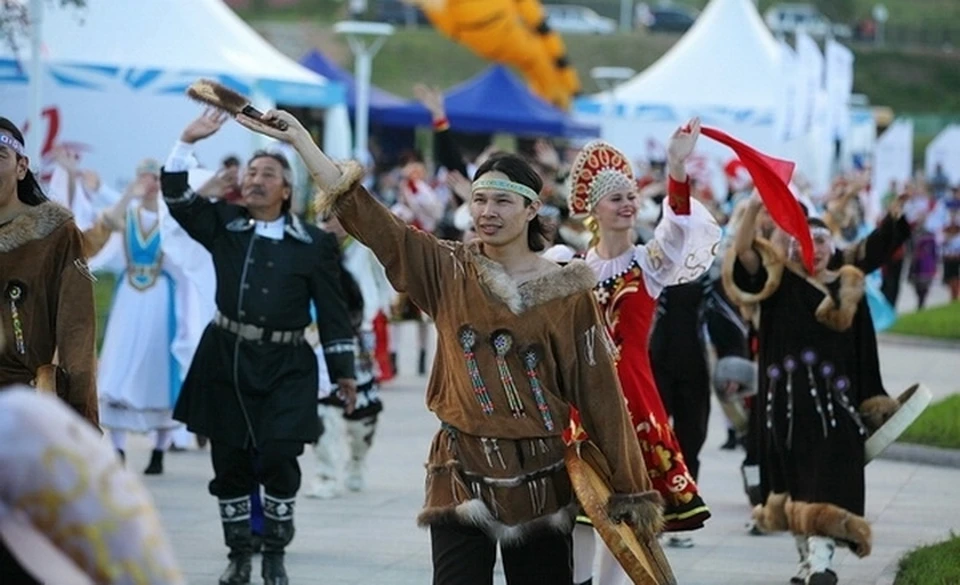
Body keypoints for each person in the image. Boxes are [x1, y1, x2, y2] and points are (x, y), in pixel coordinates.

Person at [237, 108, 665, 585]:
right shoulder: (446, 269)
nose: (487, 212)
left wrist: (630, 491)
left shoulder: (567, 291)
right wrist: (302, 142)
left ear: (531, 211)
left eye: (502, 201)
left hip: (543, 476)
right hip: (458, 467)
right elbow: (371, 219)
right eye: (479, 200)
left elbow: (600, 393)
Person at [160, 109, 358, 585]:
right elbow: (178, 199)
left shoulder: (313, 244)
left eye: (267, 174)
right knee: (228, 462)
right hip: (225, 358)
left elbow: (332, 312)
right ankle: (238, 554)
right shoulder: (224, 225)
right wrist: (185, 141)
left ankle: (275, 551)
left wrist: (345, 372)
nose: (254, 180)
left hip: (288, 365)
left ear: (286, 190)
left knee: (278, 457)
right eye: (250, 173)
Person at [566, 128, 717, 581]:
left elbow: (678, 226)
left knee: (625, 509)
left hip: (634, 395)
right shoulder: (570, 267)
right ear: (594, 209)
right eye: (615, 198)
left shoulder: (649, 263)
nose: (628, 203)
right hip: (584, 400)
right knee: (579, 509)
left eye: (631, 195)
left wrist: (675, 166)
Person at [725, 199, 897, 585]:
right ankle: (807, 561)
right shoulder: (777, 284)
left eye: (822, 240)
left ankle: (822, 562)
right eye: (806, 240)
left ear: (832, 247)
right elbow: (745, 254)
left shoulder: (848, 290)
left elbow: (865, 353)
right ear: (792, 246)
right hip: (784, 409)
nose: (815, 248)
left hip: (834, 411)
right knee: (792, 486)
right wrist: (755, 207)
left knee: (829, 481)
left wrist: (872, 405)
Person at [0, 116, 99, 583]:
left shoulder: (55, 234)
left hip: (21, 408)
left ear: (21, 166)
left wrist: (82, 421)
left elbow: (78, 333)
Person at [89, 158, 201, 475]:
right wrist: (128, 193)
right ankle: (119, 450)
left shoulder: (170, 220)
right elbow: (106, 225)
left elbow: (185, 264)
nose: (150, 183)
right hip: (129, 297)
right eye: (145, 177)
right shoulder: (128, 216)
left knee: (158, 366)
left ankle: (159, 451)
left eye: (155, 178)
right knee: (120, 363)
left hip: (159, 298)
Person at [308, 213, 391, 498]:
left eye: (337, 218)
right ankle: (325, 474)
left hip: (358, 335)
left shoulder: (366, 247)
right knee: (323, 409)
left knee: (361, 417)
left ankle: (357, 461)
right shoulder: (311, 247)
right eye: (325, 218)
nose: (331, 224)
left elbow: (388, 282)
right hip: (319, 337)